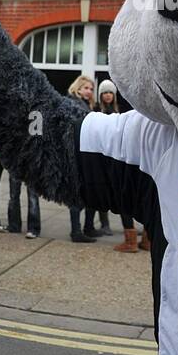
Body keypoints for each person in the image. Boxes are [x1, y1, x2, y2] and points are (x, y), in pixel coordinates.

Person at [101, 79, 143, 253]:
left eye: (111, 92)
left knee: (127, 198)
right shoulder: (99, 111)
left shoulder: (121, 111)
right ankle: (135, 239)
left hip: (123, 159)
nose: (108, 95)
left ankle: (133, 241)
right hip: (113, 158)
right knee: (125, 198)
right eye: (105, 92)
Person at [67, 75, 97, 243]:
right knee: (77, 194)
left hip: (84, 153)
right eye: (86, 88)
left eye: (91, 89)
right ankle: (76, 231)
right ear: (78, 88)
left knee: (87, 192)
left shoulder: (86, 105)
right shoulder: (73, 104)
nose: (89, 91)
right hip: (75, 155)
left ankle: (87, 227)